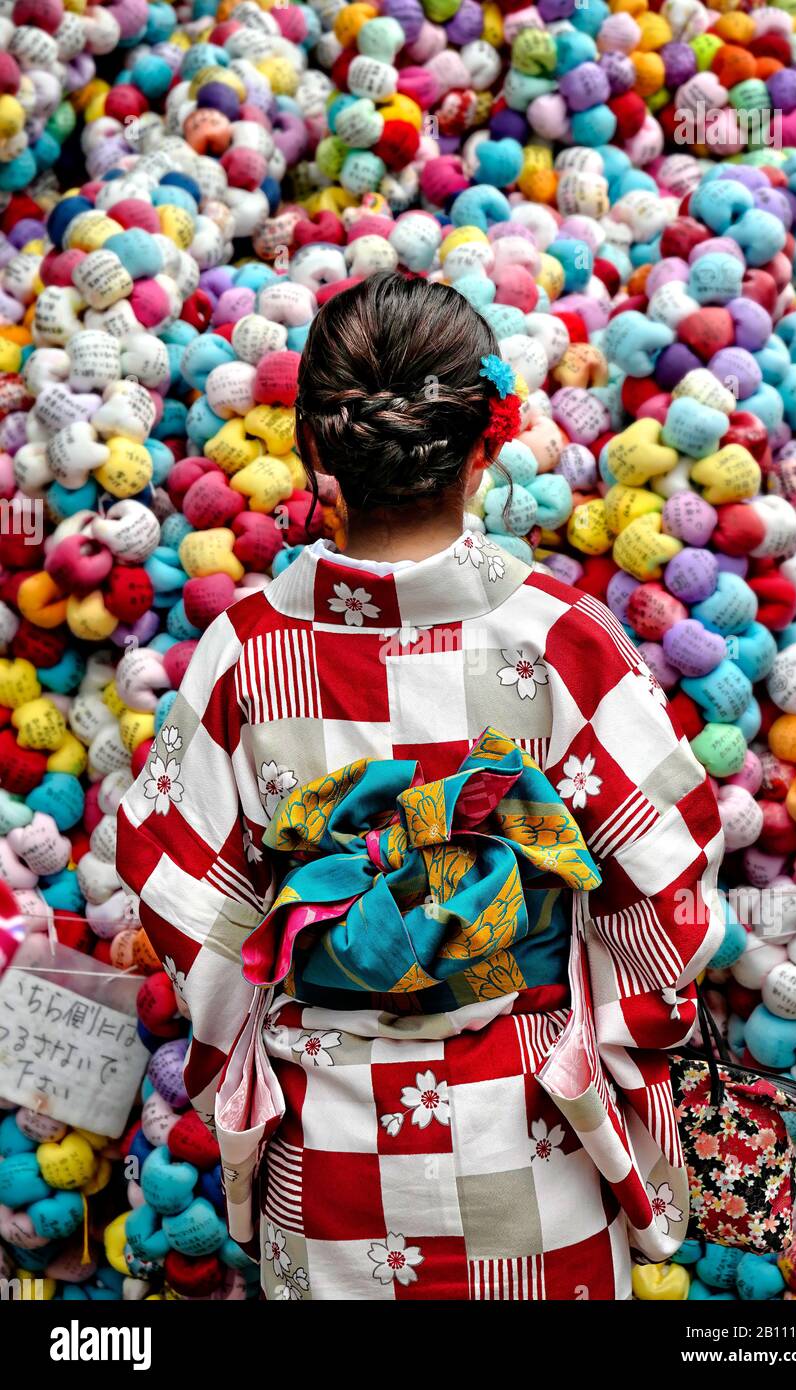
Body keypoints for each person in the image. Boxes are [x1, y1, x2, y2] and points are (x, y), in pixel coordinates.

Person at [117, 272, 724, 1301]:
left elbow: (184, 898)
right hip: (533, 1133)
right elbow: (664, 886)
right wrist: (611, 1050)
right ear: (485, 447)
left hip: (331, 1141)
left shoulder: (243, 653)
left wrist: (261, 1043)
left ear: (317, 449)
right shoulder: (561, 640)